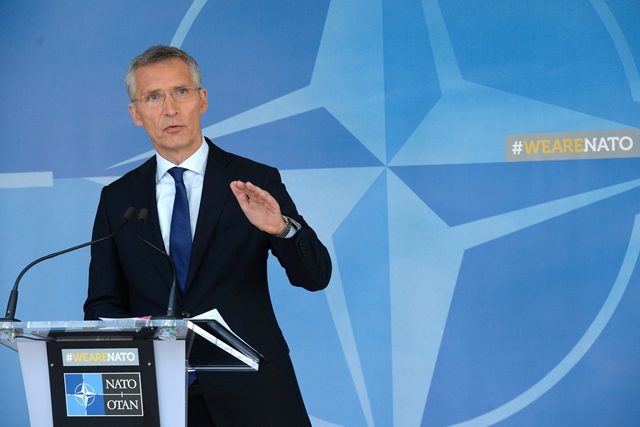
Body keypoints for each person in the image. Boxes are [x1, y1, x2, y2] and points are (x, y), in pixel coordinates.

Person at [83, 45, 332, 426]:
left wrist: (281, 228)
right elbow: (102, 305)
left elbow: (314, 277)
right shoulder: (118, 199)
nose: (169, 109)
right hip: (158, 399)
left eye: (180, 92)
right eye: (153, 97)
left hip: (254, 394)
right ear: (136, 114)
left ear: (202, 99)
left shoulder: (254, 181)